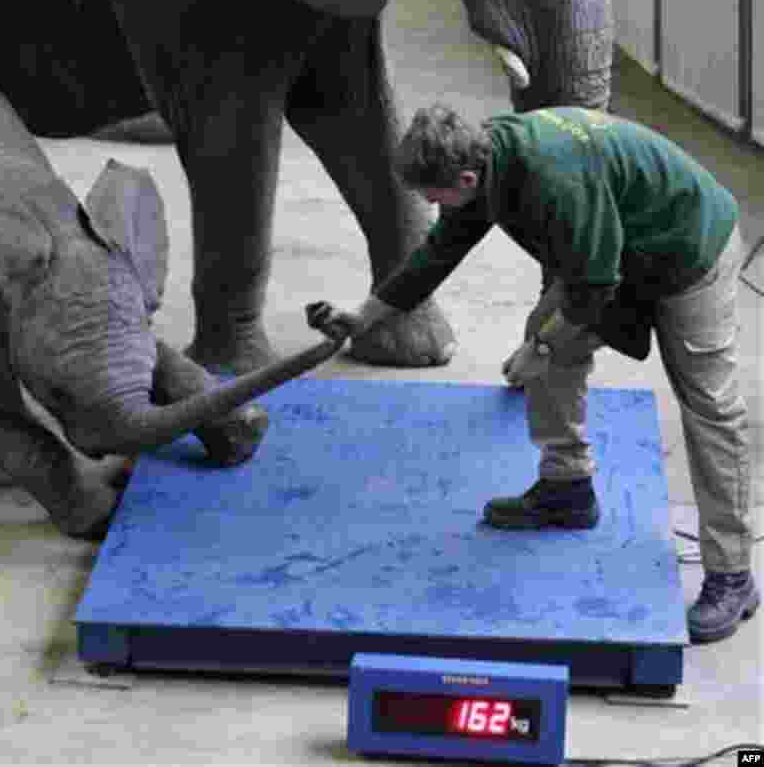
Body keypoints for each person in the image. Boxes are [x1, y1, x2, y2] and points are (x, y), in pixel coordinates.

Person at [308, 103, 757, 644]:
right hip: (620, 247)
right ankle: (566, 487)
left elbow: (595, 287)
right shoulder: (486, 160)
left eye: (433, 194)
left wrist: (539, 350)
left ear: (466, 178)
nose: (429, 204)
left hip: (689, 251)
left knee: (709, 407)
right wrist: (364, 316)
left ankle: (732, 574)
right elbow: (437, 254)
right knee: (548, 333)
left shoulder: (552, 179)